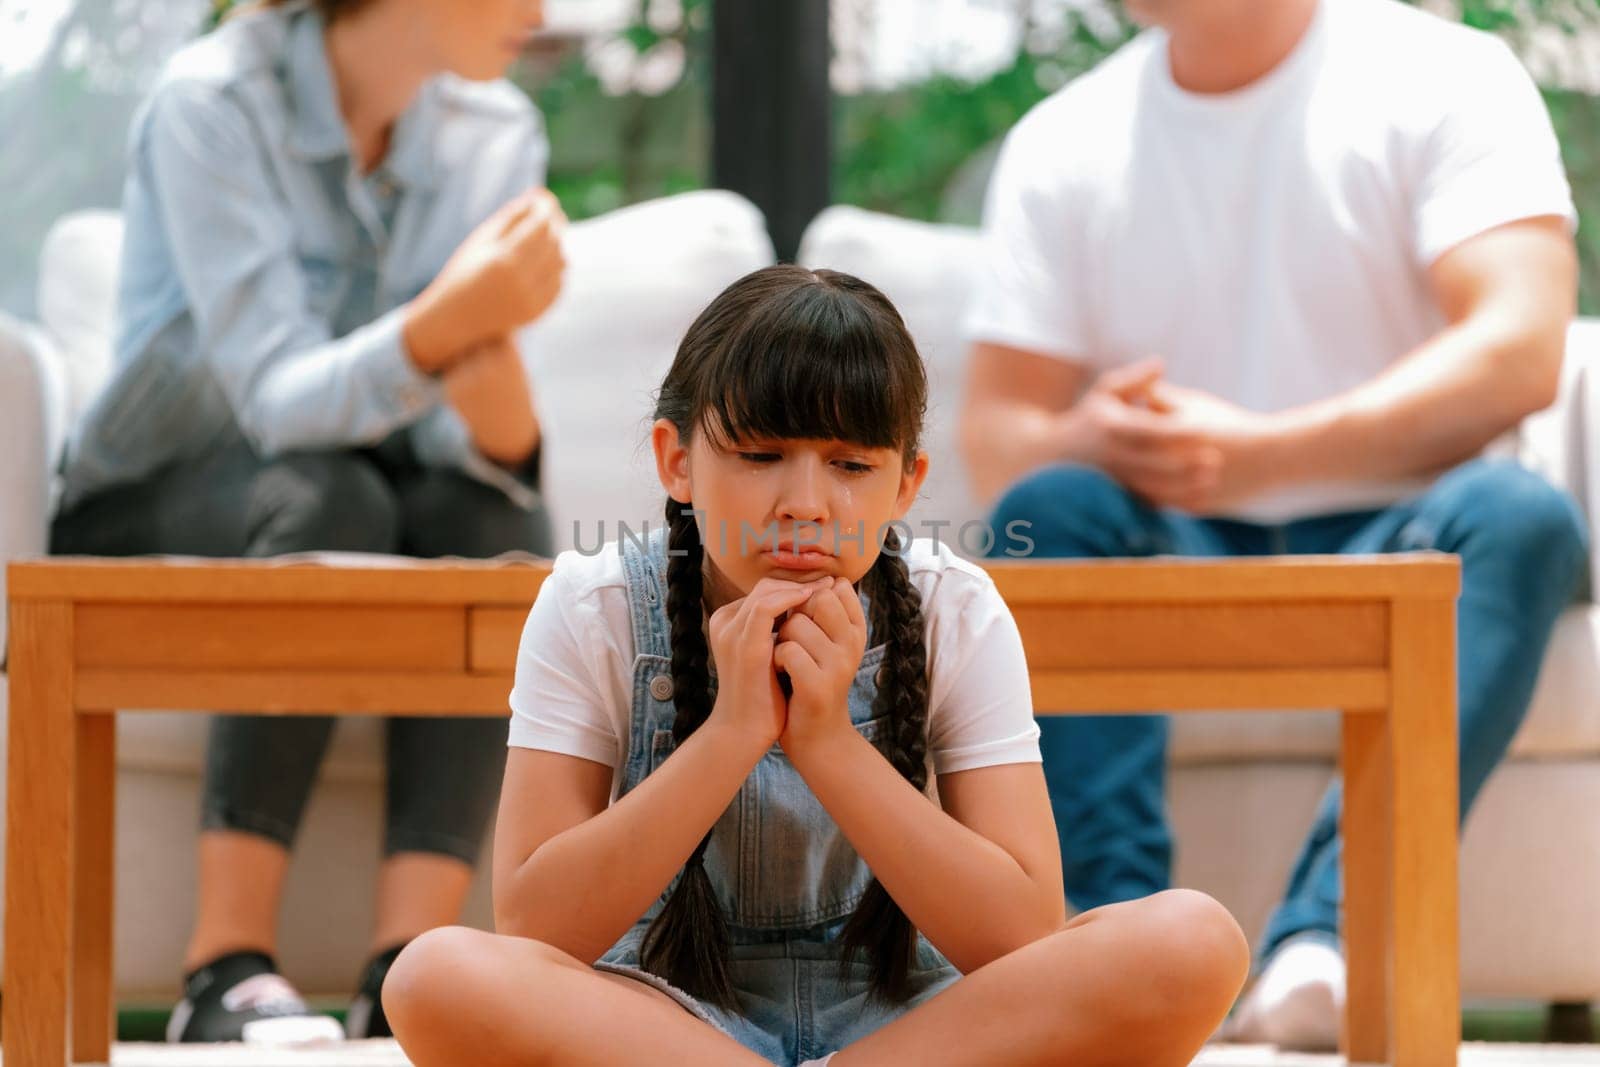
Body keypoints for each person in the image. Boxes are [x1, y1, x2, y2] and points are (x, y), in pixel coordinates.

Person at [377, 265, 1251, 1066]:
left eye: (849, 466)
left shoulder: (956, 607)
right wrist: (732, 733)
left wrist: (830, 740)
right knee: (433, 975)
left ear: (906, 486)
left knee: (1192, 939)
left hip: (910, 1022)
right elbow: (536, 924)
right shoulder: (593, 603)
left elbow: (1020, 933)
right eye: (760, 456)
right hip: (666, 1020)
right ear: (676, 461)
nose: (804, 505)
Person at [960, 0, 1588, 1051]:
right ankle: (1112, 938)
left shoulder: (1447, 76)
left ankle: (1323, 942)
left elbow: (1520, 344)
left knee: (1522, 515)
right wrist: (1087, 433)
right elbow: (992, 435)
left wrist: (1262, 451)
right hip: (1170, 532)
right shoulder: (1063, 140)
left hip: (1405, 525)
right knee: (1045, 509)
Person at [48, 0, 564, 1044]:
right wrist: (439, 327)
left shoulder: (497, 129)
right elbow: (274, 398)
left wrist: (505, 447)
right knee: (333, 496)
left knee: (483, 518)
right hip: (155, 492)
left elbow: (434, 421)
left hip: (365, 480)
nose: (541, 11)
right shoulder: (210, 103)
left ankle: (407, 972)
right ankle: (221, 965)